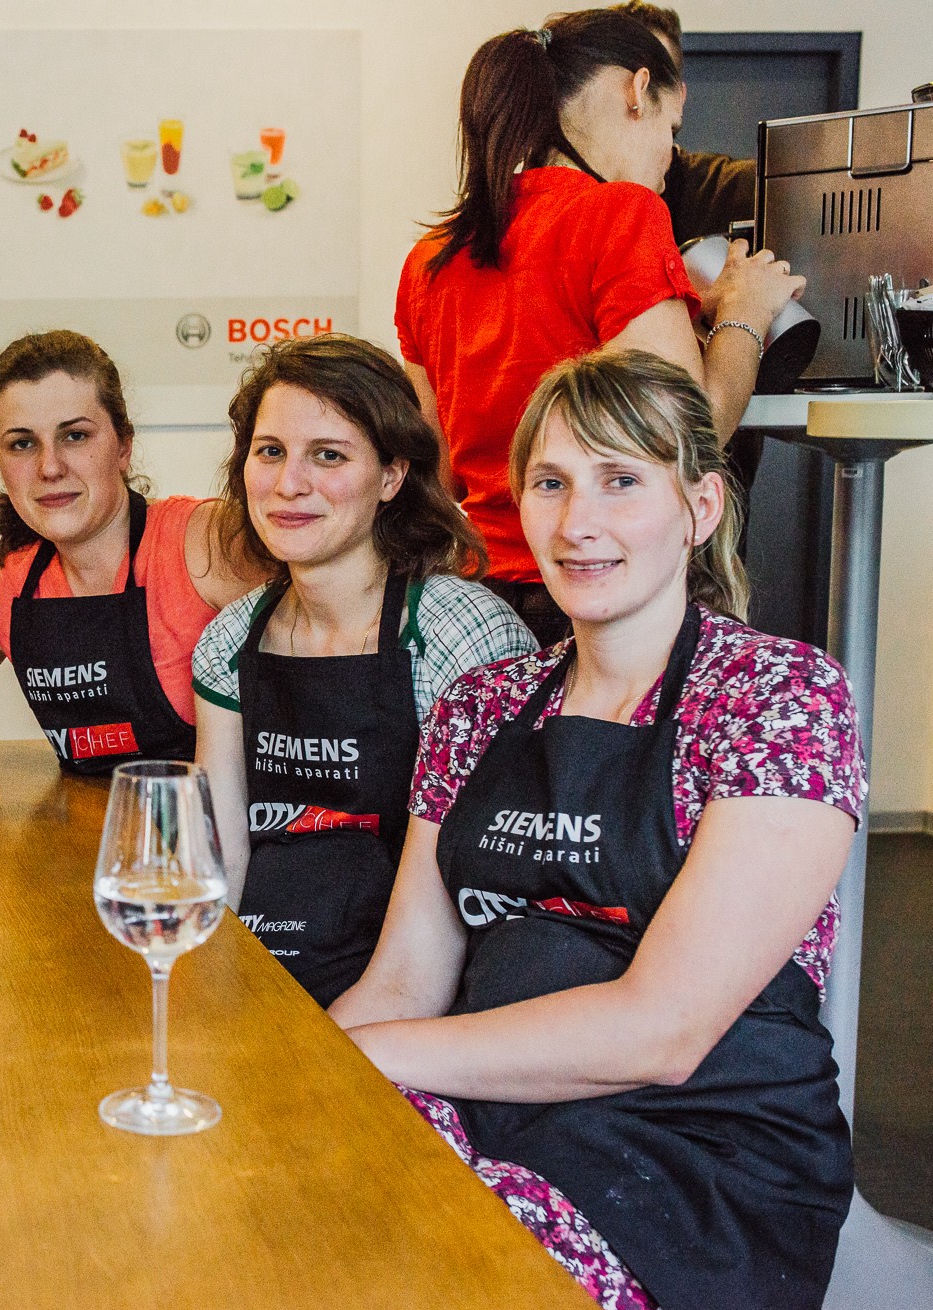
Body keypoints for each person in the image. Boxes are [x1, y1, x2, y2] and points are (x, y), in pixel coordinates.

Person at [331, 348, 859, 1310]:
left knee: (436, 1282)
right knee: (280, 1201)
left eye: (620, 480)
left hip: (692, 1163)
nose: (578, 522)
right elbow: (402, 979)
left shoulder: (778, 698)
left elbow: (662, 1030)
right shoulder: (480, 707)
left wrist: (365, 1058)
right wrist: (299, 1071)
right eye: (551, 483)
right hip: (489, 1105)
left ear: (699, 507)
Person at [395, 8, 804, 643]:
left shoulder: (430, 258)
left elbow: (438, 471)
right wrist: (746, 313)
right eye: (671, 129)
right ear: (636, 91)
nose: (670, 158)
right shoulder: (621, 214)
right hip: (593, 588)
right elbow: (689, 432)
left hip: (475, 600)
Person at [195, 336, 533, 1006]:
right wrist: (213, 1005)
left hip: (419, 992)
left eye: (329, 455)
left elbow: (488, 888)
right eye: (270, 451)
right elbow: (221, 864)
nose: (289, 484)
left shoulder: (459, 633)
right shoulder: (230, 639)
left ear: (391, 476)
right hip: (265, 975)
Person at [0, 330, 262, 798]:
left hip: (237, 835)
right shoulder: (9, 586)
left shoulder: (205, 541)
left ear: (123, 446)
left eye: (75, 436)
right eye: (22, 444)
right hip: (91, 833)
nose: (49, 467)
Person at [609, 0, 757, 245]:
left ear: (679, 97)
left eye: (655, 81)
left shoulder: (741, 189)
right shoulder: (571, 196)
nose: (637, 98)